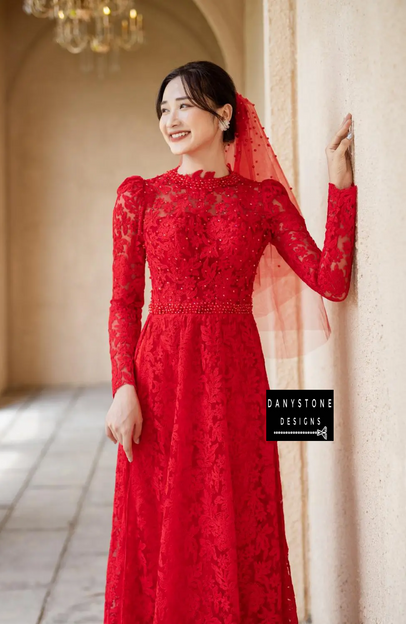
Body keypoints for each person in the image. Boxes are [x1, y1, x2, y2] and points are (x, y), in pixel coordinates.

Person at [103, 60, 357, 624]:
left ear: (223, 115)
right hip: (159, 382)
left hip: (235, 382)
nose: (171, 119)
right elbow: (123, 303)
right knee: (163, 526)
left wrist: (341, 186)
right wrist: (123, 386)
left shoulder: (261, 200)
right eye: (164, 108)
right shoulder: (138, 197)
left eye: (184, 105)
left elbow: (331, 280)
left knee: (234, 517)